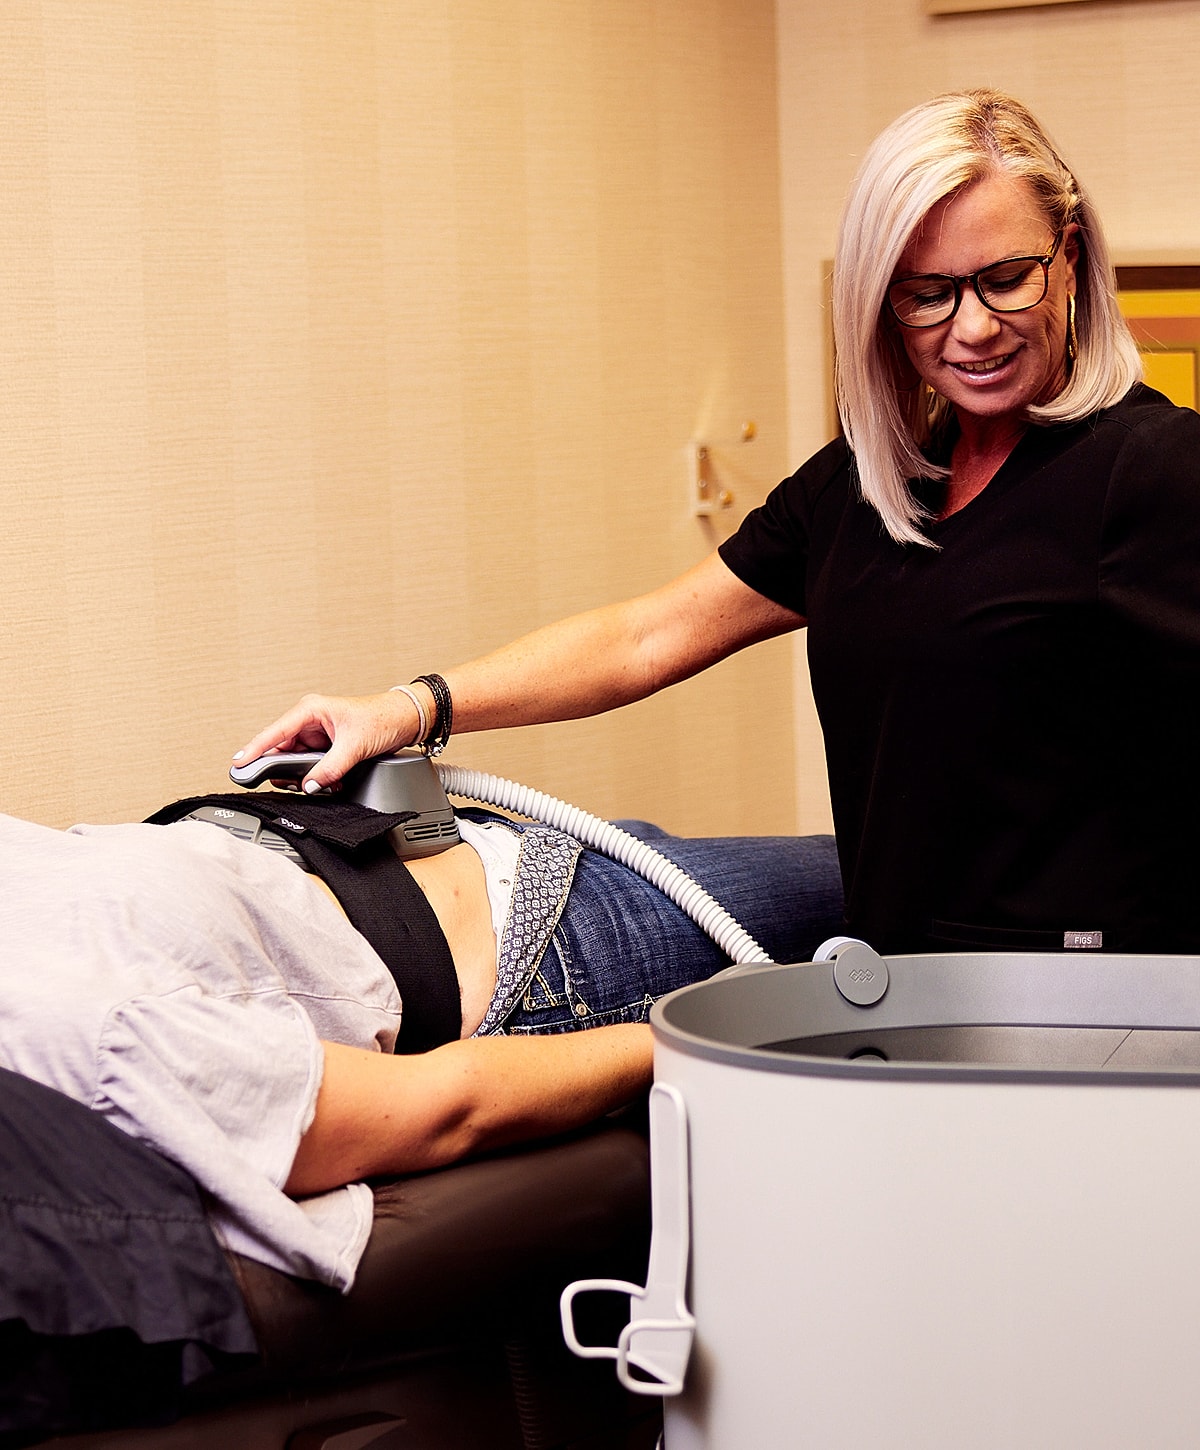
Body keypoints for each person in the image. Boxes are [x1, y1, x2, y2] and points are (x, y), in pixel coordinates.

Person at [239, 88, 1200, 960]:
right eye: (927, 294)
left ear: (1071, 259)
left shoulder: (1153, 471)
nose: (974, 326)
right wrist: (406, 708)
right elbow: (646, 637)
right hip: (909, 994)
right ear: (880, 304)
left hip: (1084, 1019)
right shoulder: (866, 487)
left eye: (1007, 278)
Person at [0, 790, 841, 1292]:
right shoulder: (104, 1041)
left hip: (472, 847)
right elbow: (449, 1107)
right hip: (555, 955)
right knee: (911, 889)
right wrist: (725, 1033)